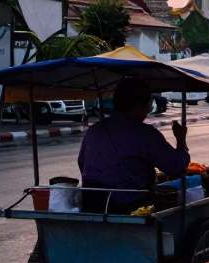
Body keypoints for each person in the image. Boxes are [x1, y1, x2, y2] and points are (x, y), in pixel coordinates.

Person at [77, 78, 189, 214]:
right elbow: (176, 167)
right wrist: (181, 139)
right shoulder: (145, 133)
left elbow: (82, 163)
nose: (147, 110)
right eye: (147, 105)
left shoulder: (94, 130)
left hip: (91, 204)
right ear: (139, 105)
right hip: (130, 206)